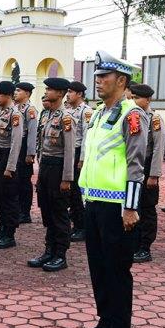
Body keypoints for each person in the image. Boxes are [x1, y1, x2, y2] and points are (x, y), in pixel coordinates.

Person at [74, 52, 147, 328]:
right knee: (98, 267)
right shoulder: (100, 114)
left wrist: (130, 206)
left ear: (121, 80)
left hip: (117, 206)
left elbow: (136, 164)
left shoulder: (132, 115)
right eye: (97, 77)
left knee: (117, 269)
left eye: (104, 77)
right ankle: (105, 322)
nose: (98, 82)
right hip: (94, 201)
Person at [27, 77, 76, 272]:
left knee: (59, 212)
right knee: (47, 210)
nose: (46, 92)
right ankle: (49, 250)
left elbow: (70, 151)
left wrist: (67, 178)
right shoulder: (47, 115)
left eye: (50, 89)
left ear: (60, 93)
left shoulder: (66, 118)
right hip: (46, 166)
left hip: (59, 168)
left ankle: (60, 254)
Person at [0, 80, 24, 250]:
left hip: (6, 158)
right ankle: (1, 230)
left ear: (8, 95)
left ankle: (9, 234)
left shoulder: (15, 115)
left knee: (9, 197)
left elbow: (16, 143)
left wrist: (10, 167)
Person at [128, 84, 163, 263]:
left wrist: (154, 174)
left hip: (148, 165)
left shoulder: (154, 118)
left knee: (147, 208)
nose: (133, 100)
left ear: (147, 99)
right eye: (132, 97)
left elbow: (158, 147)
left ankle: (145, 247)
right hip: (136, 164)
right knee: (135, 205)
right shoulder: (132, 115)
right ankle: (134, 243)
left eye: (136, 98)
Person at [65, 82, 94, 242]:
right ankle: (75, 223)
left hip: (77, 154)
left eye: (71, 92)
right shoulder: (67, 110)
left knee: (76, 191)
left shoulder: (86, 111)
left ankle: (80, 227)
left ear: (80, 94)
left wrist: (82, 158)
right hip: (67, 153)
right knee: (68, 192)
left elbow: (86, 137)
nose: (68, 94)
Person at [13, 82, 39, 224]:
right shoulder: (15, 108)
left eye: (19, 90)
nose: (15, 93)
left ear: (27, 94)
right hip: (15, 145)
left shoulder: (30, 110)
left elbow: (32, 133)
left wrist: (30, 153)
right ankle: (17, 209)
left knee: (24, 181)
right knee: (15, 180)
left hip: (24, 147)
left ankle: (25, 212)